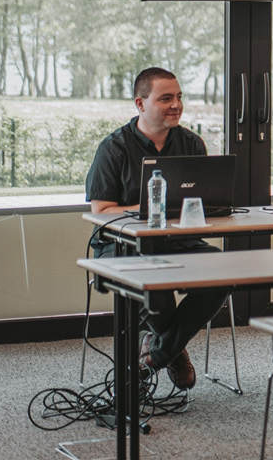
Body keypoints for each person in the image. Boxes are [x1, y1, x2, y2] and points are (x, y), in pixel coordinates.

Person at [85, 67, 225, 391]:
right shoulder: (114, 148)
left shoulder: (191, 143)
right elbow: (101, 210)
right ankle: (174, 351)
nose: (176, 104)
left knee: (223, 272)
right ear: (140, 103)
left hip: (177, 241)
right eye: (165, 98)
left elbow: (202, 203)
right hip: (121, 245)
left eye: (178, 97)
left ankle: (158, 353)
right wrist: (148, 208)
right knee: (155, 276)